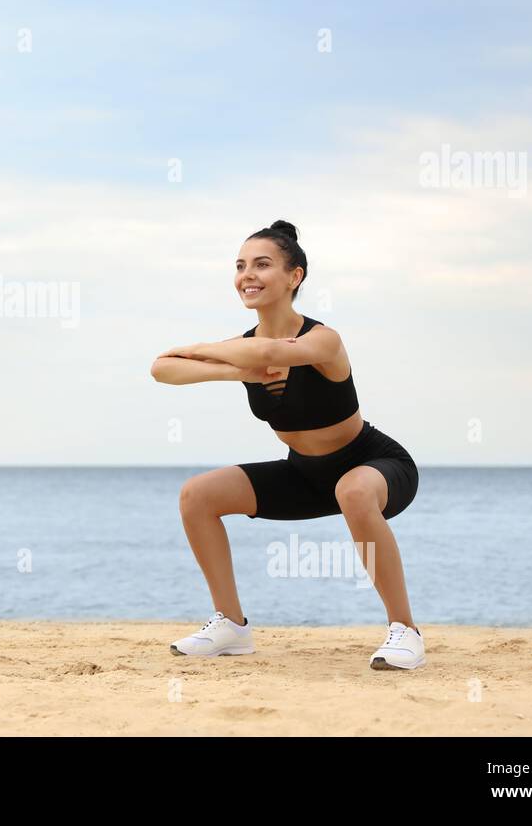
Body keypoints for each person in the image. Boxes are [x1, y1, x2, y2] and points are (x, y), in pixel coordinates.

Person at [149, 219, 424, 670]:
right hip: (305, 473)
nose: (247, 275)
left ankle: (405, 632)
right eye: (240, 266)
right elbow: (161, 368)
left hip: (373, 463)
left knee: (352, 491)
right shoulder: (240, 353)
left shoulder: (323, 339)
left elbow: (272, 354)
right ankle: (231, 626)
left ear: (295, 277)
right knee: (197, 495)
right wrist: (232, 370)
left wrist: (208, 350)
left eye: (262, 264)